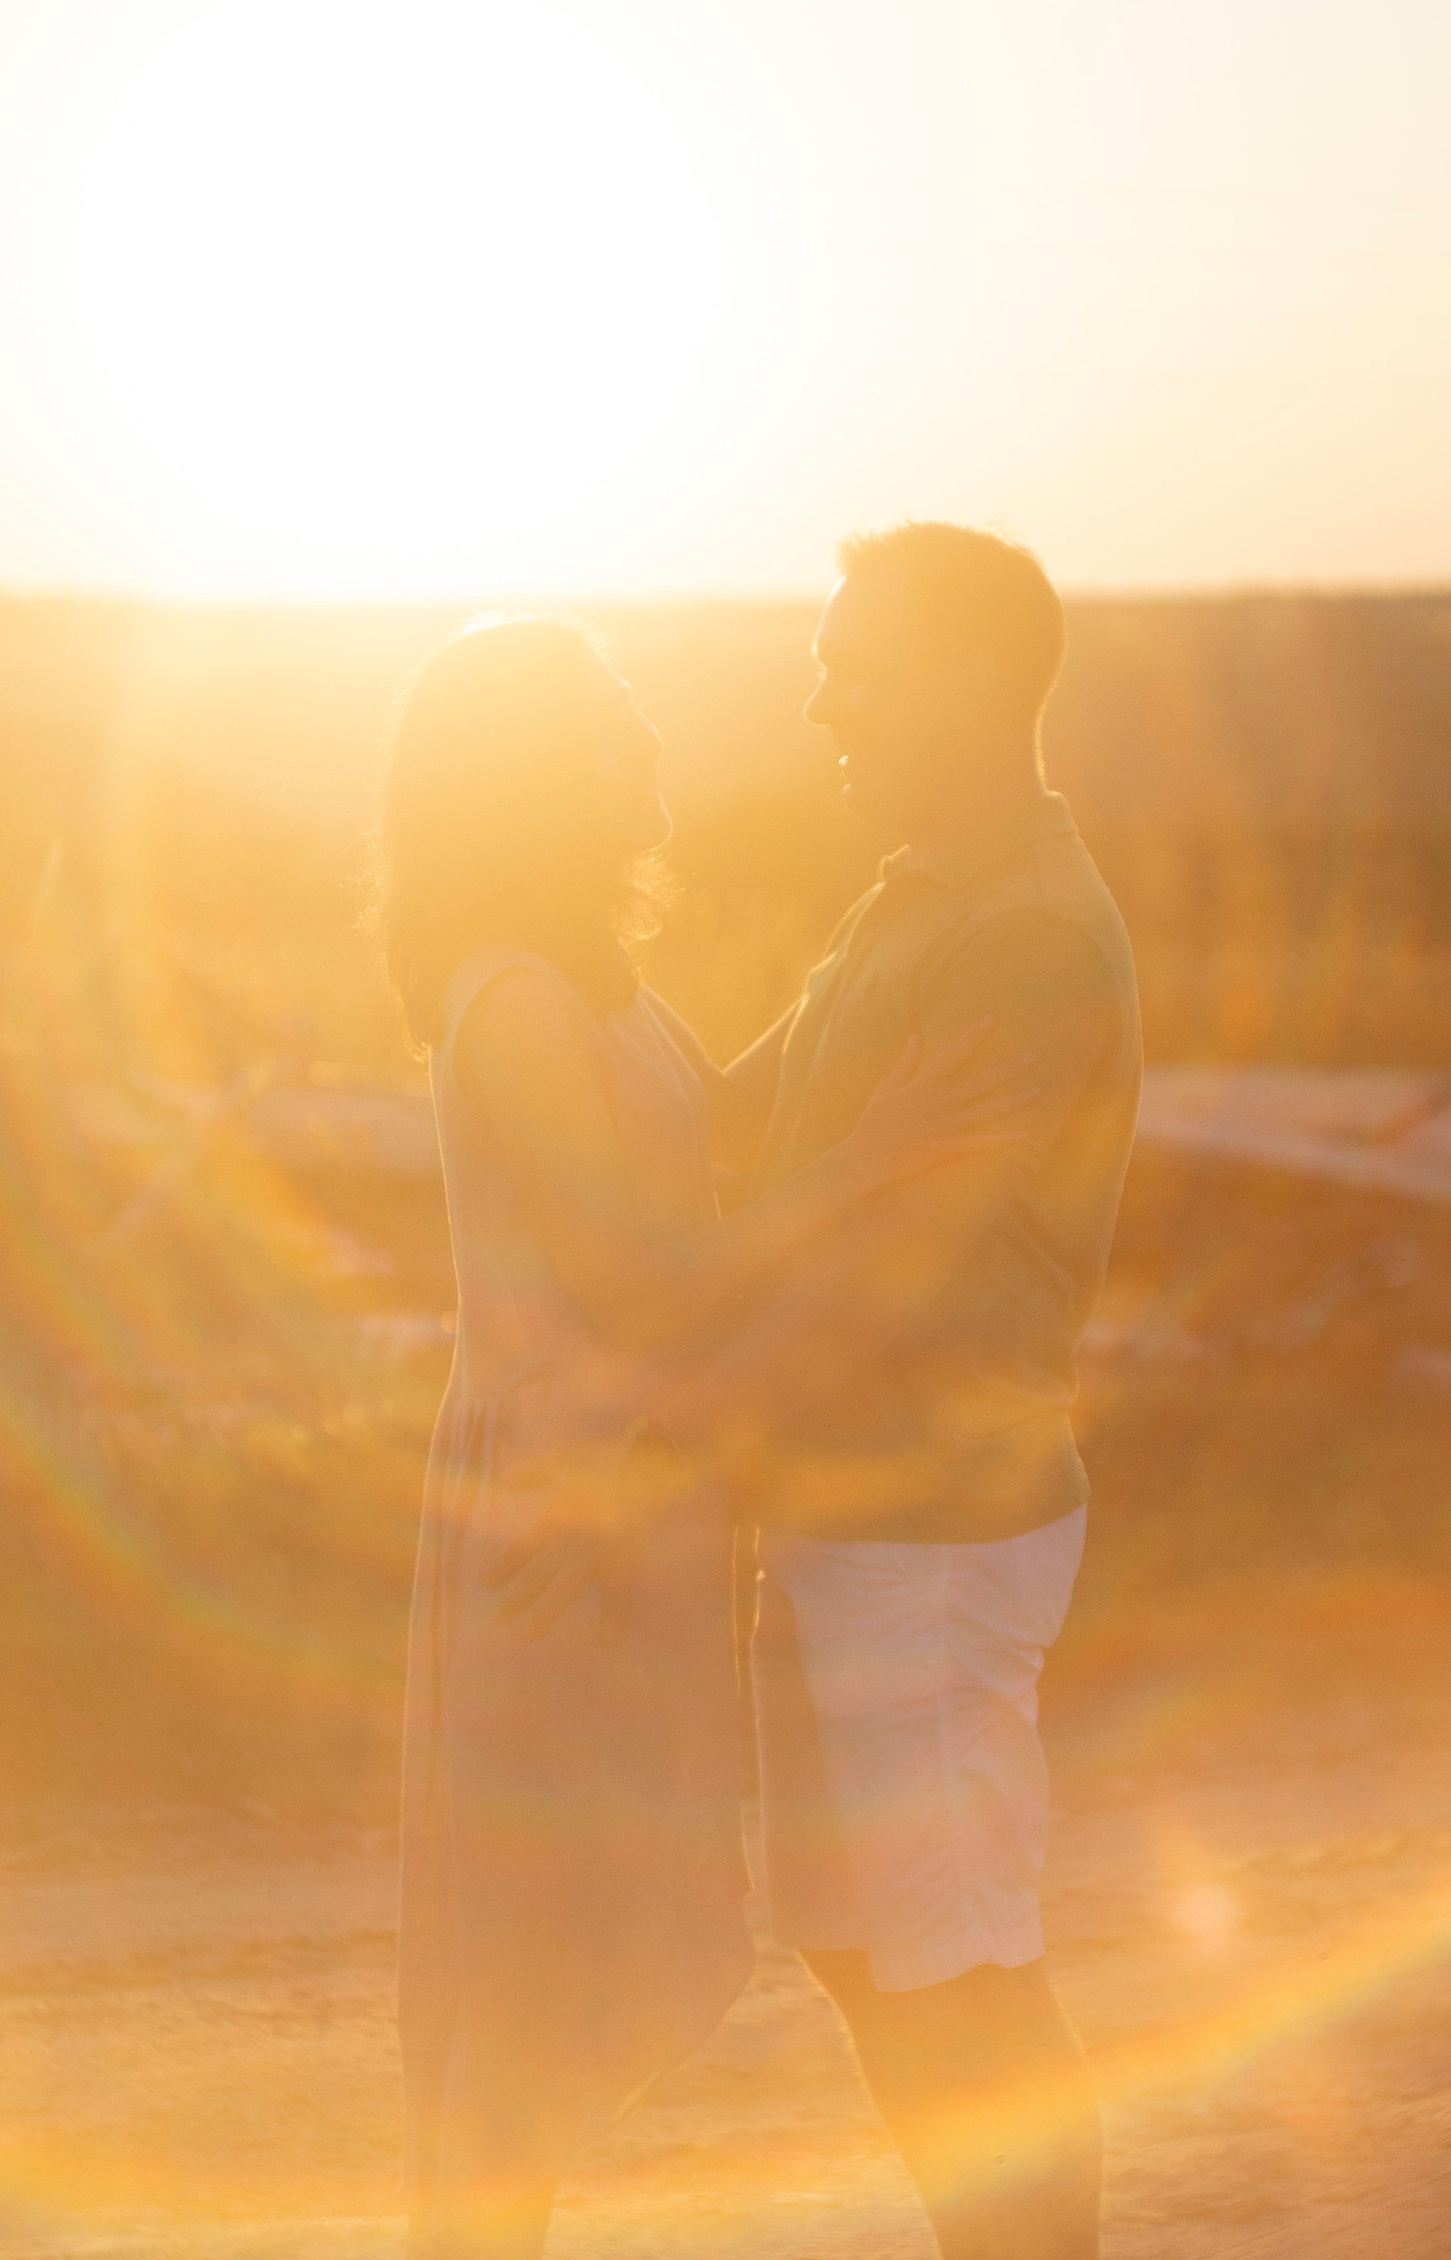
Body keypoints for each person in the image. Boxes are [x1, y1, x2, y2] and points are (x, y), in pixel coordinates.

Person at [498, 523, 1141, 2260]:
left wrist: (657, 1462)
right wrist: (532, 967)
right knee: (870, 1954)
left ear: (971, 682)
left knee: (961, 1968)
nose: (820, 692)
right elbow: (744, 1130)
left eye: (855, 662)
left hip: (936, 1534)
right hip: (843, 1518)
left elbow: (873, 1280)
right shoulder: (910, 891)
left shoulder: (1027, 937)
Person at [380, 612, 1036, 2260]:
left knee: (554, 1956)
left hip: (630, 1493)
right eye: (613, 724)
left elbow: (697, 1135)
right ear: (538, 776)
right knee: (523, 1981)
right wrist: (874, 1155)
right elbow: (644, 1277)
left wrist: (846, 1036)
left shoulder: (590, 984)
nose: (651, 744)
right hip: (560, 1506)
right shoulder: (513, 999)